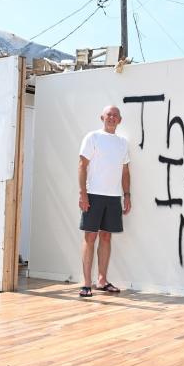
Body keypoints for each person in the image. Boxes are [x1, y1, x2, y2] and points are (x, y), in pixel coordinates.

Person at [78, 105, 132, 297]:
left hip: (113, 197)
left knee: (106, 237)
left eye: (115, 115)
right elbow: (82, 165)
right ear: (102, 117)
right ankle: (86, 283)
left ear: (120, 120)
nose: (112, 117)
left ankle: (102, 280)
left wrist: (127, 195)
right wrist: (82, 193)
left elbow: (125, 171)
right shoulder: (92, 137)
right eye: (109, 114)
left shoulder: (122, 143)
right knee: (90, 237)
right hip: (93, 195)